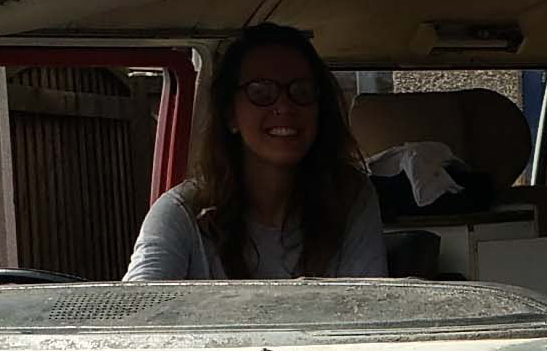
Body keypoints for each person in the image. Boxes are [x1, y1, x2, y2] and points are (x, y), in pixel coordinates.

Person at [124, 24, 387, 281]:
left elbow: (369, 302)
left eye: (302, 91)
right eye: (260, 92)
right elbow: (139, 305)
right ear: (230, 114)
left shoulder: (349, 199)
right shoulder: (181, 213)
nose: (284, 106)